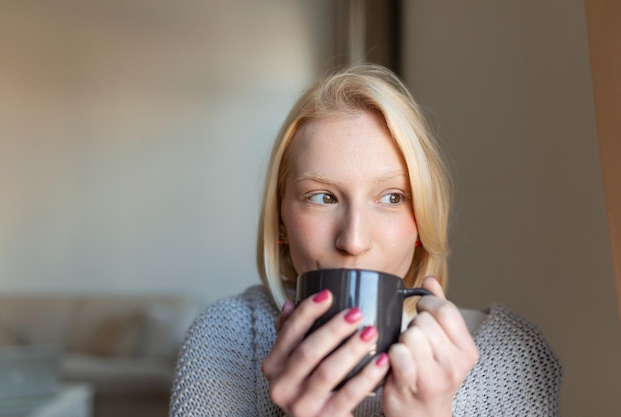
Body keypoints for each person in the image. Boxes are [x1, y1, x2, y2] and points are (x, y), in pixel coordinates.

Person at [170, 63, 562, 416]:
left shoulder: (510, 359)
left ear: (423, 223)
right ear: (282, 223)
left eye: (392, 198)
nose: (353, 240)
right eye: (322, 197)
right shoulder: (228, 337)